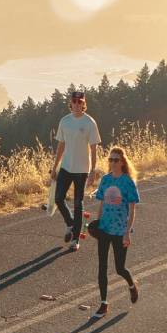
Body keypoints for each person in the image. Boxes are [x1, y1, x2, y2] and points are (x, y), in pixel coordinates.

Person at [90, 146, 140, 319]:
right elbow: (102, 203)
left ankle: (132, 285)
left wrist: (127, 232)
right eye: (110, 159)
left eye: (115, 160)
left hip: (120, 230)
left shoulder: (127, 182)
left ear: (122, 162)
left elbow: (132, 210)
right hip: (104, 228)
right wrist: (97, 224)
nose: (112, 163)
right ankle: (104, 303)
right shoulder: (105, 180)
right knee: (102, 266)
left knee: (120, 268)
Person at [50, 90, 101, 251]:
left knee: (78, 204)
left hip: (82, 170)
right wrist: (55, 167)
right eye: (74, 101)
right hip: (66, 167)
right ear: (70, 103)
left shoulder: (89, 123)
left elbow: (94, 149)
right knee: (58, 199)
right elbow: (61, 145)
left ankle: (75, 239)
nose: (77, 104)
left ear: (83, 104)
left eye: (80, 102)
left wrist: (93, 170)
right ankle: (71, 223)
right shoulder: (65, 121)